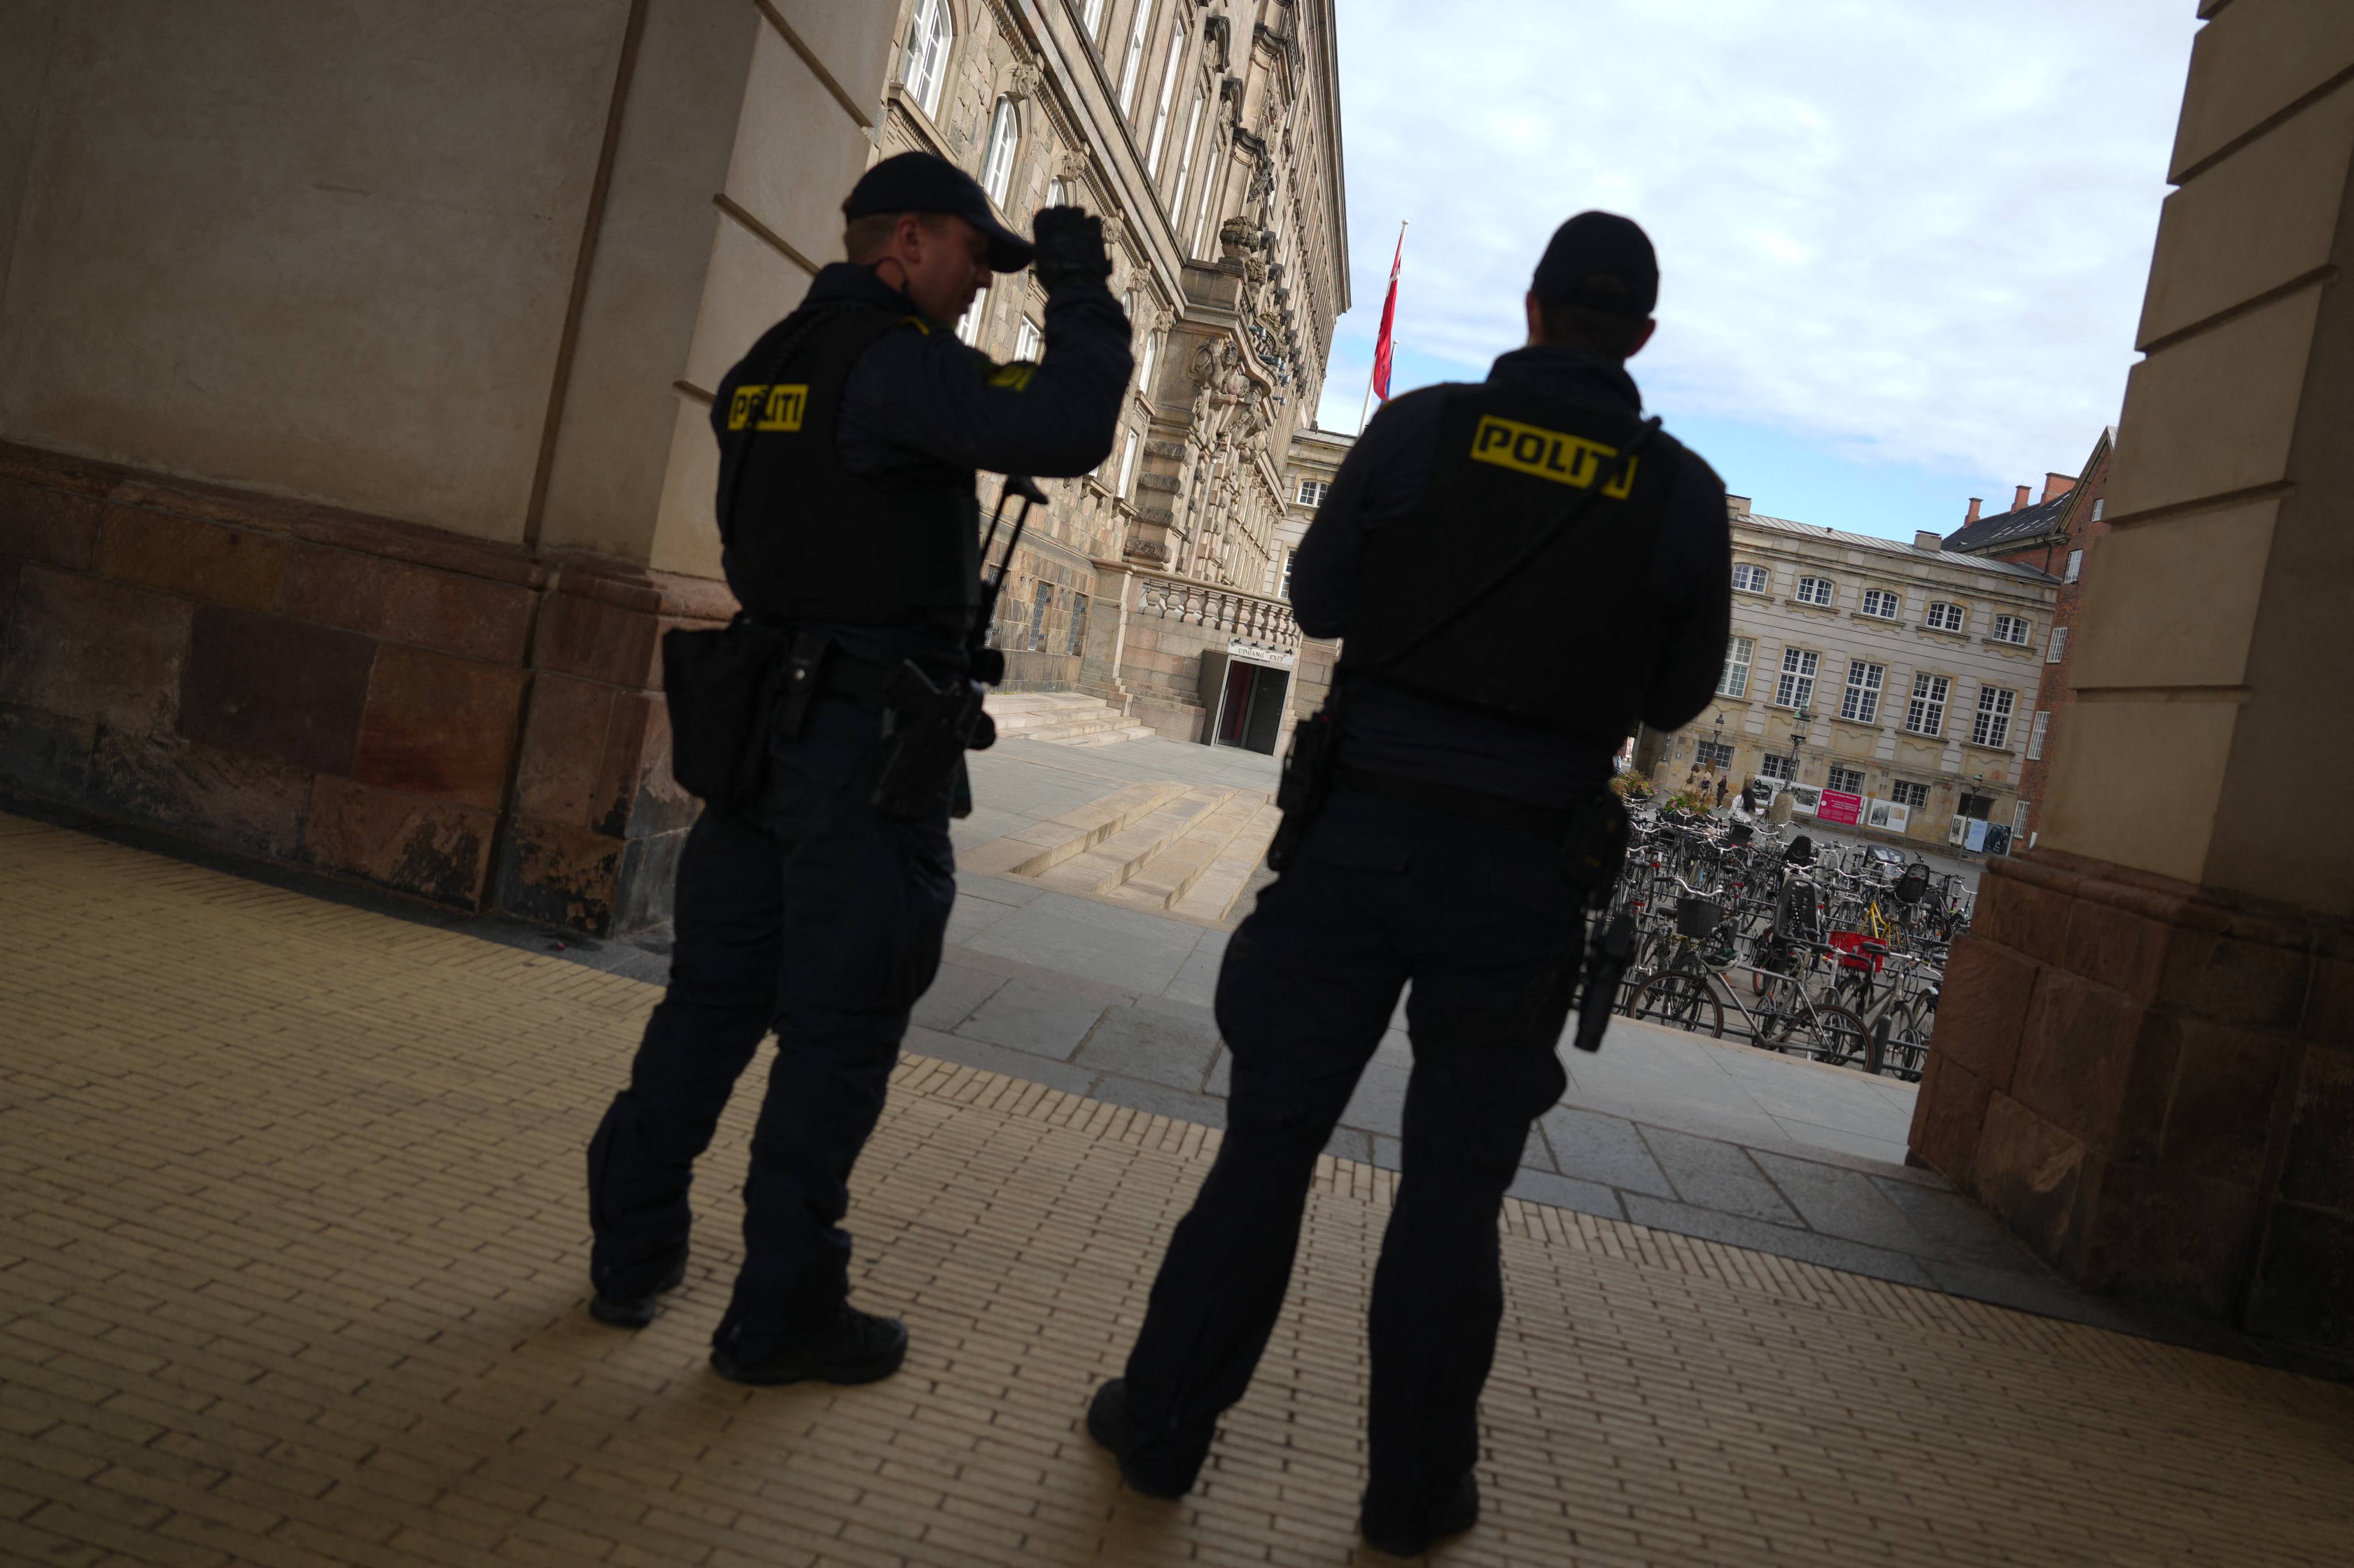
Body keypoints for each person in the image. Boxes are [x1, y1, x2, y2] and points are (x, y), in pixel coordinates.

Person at [1085, 211, 1731, 1555]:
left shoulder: (1424, 428)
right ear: (1642, 338)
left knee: (1266, 1146)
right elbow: (1674, 692)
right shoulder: (1677, 493)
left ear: (1535, 308)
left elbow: (1316, 601)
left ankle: (1160, 1429)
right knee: (1453, 1189)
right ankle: (1410, 1490)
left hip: (1358, 838)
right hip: (1523, 877)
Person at [584, 152, 1130, 1386]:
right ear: (909, 244)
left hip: (758, 736)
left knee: (709, 1001)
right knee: (837, 1030)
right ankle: (779, 1309)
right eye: (971, 262)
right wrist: (1082, 289)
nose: (977, 292)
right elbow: (1064, 423)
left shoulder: (761, 368)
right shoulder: (894, 363)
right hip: (857, 752)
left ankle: (630, 1250)